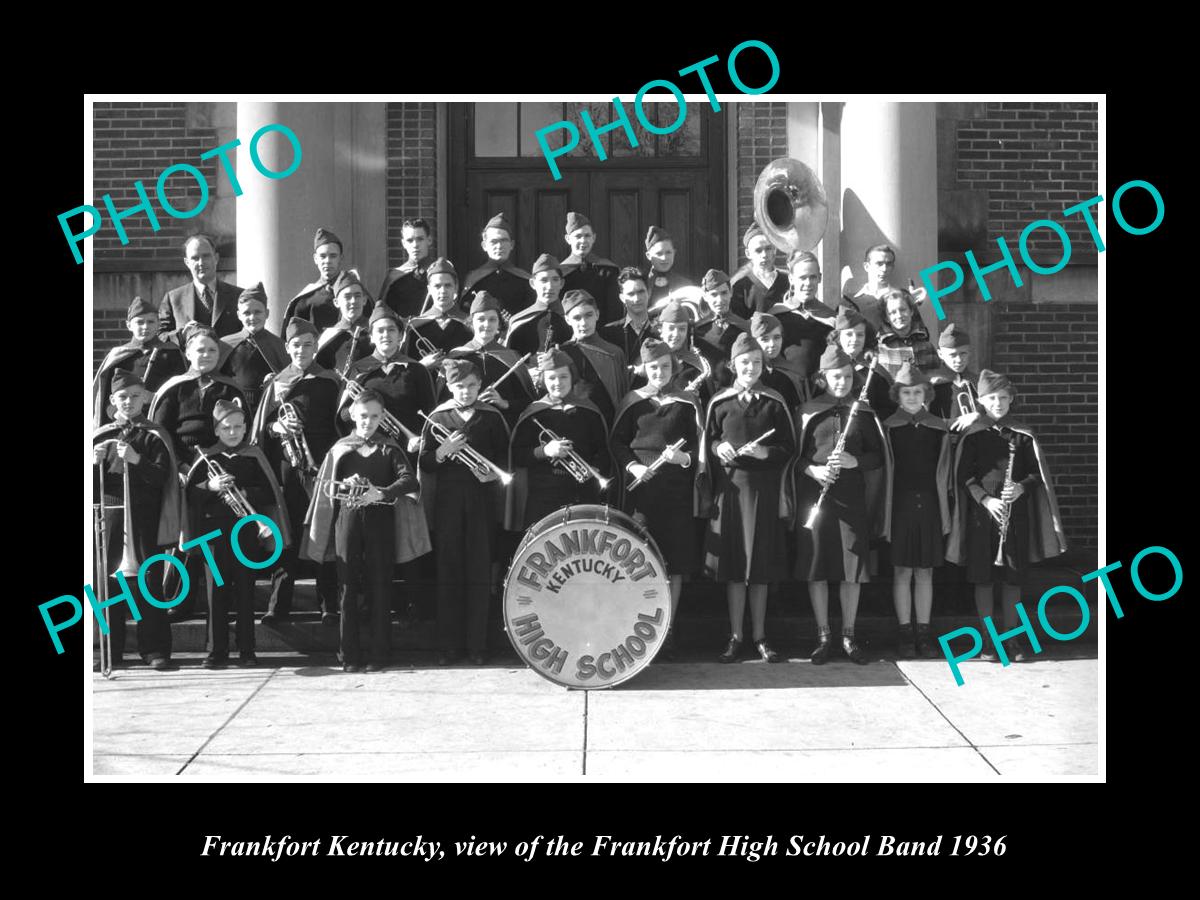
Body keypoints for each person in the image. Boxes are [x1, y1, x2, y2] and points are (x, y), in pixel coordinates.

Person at [302, 388, 429, 672]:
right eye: (362, 416)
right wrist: (348, 484)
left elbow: (409, 481)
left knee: (380, 587)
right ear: (352, 416)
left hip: (380, 521)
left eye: (374, 417)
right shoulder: (340, 448)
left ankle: (380, 654)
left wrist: (381, 493)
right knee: (347, 588)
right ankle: (348, 655)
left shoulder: (389, 447)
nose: (367, 422)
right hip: (346, 519)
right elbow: (324, 489)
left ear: (382, 418)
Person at [945, 370, 1067, 663]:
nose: (998, 403)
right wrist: (985, 500)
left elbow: (1037, 474)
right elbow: (964, 477)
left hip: (1016, 514)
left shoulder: (1022, 435)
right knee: (983, 578)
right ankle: (988, 640)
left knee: (1012, 577)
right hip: (982, 515)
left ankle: (1011, 637)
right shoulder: (974, 436)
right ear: (981, 401)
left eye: (1003, 397)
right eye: (991, 398)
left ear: (1011, 399)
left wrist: (1023, 488)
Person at [703, 332, 795, 664]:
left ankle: (760, 636)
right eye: (745, 362)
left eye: (757, 362)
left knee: (759, 567)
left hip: (763, 491)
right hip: (730, 489)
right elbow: (709, 442)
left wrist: (764, 451)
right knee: (734, 567)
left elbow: (789, 448)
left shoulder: (774, 401)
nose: (751, 368)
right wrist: (717, 448)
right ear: (732, 365)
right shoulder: (720, 402)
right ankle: (735, 636)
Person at [794, 345, 889, 665]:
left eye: (848, 377)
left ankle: (848, 635)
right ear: (823, 378)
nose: (843, 382)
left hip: (852, 497)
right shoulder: (808, 410)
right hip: (815, 497)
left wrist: (854, 461)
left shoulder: (862, 412)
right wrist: (813, 470)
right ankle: (823, 635)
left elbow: (878, 457)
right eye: (836, 377)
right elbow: (795, 458)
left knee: (852, 568)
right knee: (816, 566)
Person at [610, 339, 704, 655]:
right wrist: (634, 466)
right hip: (642, 494)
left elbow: (696, 447)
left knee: (674, 563)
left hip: (675, 493)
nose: (660, 372)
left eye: (665, 366)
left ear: (674, 368)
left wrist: (684, 459)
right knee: (641, 561)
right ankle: (642, 625)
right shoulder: (633, 402)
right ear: (644, 369)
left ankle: (670, 627)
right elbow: (618, 444)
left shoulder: (687, 402)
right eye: (653, 367)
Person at [184, 399, 290, 668]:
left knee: (245, 590)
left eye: (238, 427)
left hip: (245, 534)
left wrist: (244, 493)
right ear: (217, 431)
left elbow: (269, 492)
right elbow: (190, 497)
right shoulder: (207, 457)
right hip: (213, 535)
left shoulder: (253, 455)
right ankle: (215, 651)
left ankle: (247, 650)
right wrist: (210, 485)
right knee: (214, 592)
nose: (233, 432)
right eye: (227, 428)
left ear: (245, 428)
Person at [252, 317, 342, 627]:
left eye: (307, 344)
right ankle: (278, 606)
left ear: (316, 347)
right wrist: (276, 426)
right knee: (286, 536)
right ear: (286, 348)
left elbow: (341, 425)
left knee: (324, 534)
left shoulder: (330, 381)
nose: (301, 350)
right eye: (295, 345)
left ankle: (329, 605)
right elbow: (259, 430)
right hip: (287, 470)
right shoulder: (276, 383)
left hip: (322, 467)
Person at [419, 359, 510, 666]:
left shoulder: (492, 418)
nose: (467, 391)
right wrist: (443, 452)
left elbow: (504, 459)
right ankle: (449, 646)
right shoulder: (438, 417)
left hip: (482, 501)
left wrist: (491, 472)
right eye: (460, 386)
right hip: (448, 504)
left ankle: (478, 645)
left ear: (480, 386)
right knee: (449, 573)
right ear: (449, 386)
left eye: (472, 385)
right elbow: (425, 463)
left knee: (479, 572)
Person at [92, 370, 181, 670]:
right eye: (122, 397)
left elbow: (162, 478)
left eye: (134, 396)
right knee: (108, 589)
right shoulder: (101, 436)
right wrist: (93, 464)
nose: (128, 401)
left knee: (150, 586)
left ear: (144, 397)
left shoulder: (154, 434)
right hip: (111, 519)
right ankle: (109, 651)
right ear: (112, 400)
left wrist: (136, 460)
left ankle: (154, 650)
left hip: (145, 519)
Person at [880, 363, 952, 658]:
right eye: (906, 392)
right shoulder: (888, 428)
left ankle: (924, 632)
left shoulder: (938, 427)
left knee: (925, 571)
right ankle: (905, 633)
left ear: (926, 394)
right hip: (899, 505)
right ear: (897, 395)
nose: (911, 397)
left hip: (930, 506)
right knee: (901, 570)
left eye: (917, 392)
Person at [508, 349, 611, 529]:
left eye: (563, 377)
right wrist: (545, 451)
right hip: (543, 496)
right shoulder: (534, 412)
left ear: (572, 377)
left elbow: (604, 451)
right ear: (543, 380)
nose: (558, 383)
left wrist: (595, 468)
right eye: (551, 378)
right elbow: (518, 455)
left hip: (583, 493)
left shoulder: (589, 411)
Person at [339, 304, 434, 452]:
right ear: (371, 337)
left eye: (391, 330)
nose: (386, 335)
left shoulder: (416, 369)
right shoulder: (358, 369)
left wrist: (421, 441)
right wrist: (354, 409)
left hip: (407, 450)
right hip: (367, 450)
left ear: (400, 336)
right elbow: (343, 416)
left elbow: (429, 414)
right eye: (380, 330)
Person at [446, 291, 536, 427]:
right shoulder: (456, 357)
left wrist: (504, 403)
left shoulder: (512, 357)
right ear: (471, 322)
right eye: (481, 319)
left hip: (503, 430)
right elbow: (444, 401)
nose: (487, 324)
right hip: (464, 429)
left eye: (492, 319)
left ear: (499, 324)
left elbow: (528, 402)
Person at [94, 296, 185, 427]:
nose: (145, 327)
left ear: (159, 324)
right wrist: (116, 413)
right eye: (140, 322)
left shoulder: (171, 353)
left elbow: (182, 393)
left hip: (163, 422)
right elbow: (106, 398)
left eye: (151, 322)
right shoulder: (119, 356)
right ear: (129, 325)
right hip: (126, 423)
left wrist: (154, 398)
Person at [560, 289, 629, 427]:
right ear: (567, 319)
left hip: (608, 422)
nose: (584, 323)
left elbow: (622, 395)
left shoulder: (614, 352)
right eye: (577, 318)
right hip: (575, 423)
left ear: (597, 314)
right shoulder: (561, 353)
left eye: (588, 315)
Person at [220, 283, 289, 415]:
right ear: (239, 315)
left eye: (257, 312)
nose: (252, 317)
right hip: (234, 410)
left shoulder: (279, 345)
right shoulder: (225, 344)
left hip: (268, 411)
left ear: (267, 313)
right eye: (246, 313)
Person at [767, 250, 836, 381]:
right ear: (791, 279)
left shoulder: (831, 318)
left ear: (820, 278)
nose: (808, 283)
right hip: (784, 384)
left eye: (813, 277)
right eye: (802, 277)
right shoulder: (776, 316)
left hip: (819, 389)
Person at [158, 233, 243, 339]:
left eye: (206, 256)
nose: (201, 262)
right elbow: (160, 335)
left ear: (216, 258)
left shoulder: (238, 296)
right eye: (195, 258)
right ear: (187, 262)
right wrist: (180, 334)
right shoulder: (173, 299)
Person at [459, 212, 534, 333]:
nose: (499, 246)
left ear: (512, 245)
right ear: (484, 245)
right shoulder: (473, 280)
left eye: (504, 241)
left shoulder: (525, 280)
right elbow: (465, 315)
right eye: (493, 241)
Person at [828, 304, 895, 421]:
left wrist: (869, 412)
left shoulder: (875, 373)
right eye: (849, 334)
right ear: (838, 337)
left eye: (860, 334)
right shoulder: (828, 369)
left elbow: (889, 410)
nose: (854, 339)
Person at [283, 227, 354, 332]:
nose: (327, 261)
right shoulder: (304, 301)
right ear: (315, 259)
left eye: (333, 256)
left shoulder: (355, 294)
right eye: (323, 256)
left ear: (341, 258)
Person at [402, 257, 472, 364]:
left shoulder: (471, 323)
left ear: (456, 287)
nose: (442, 291)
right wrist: (423, 366)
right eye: (437, 286)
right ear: (429, 289)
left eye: (447, 285)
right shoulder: (414, 326)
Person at [504, 252, 573, 358]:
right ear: (532, 284)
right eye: (543, 280)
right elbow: (511, 361)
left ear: (561, 283)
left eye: (555, 279)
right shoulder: (519, 322)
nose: (549, 286)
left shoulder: (573, 320)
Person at [560, 211, 621, 324]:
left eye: (587, 236)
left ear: (594, 238)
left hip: (603, 335)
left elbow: (614, 311)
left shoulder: (608, 271)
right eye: (578, 236)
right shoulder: (560, 273)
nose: (583, 241)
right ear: (568, 239)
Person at [693, 268, 748, 390]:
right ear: (705, 297)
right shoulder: (697, 331)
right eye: (713, 294)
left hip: (737, 391)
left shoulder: (745, 328)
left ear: (731, 292)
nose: (719, 300)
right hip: (706, 391)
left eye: (724, 293)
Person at [314, 270, 373, 376]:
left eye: (357, 296)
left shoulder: (376, 332)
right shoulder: (329, 338)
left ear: (364, 300)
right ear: (336, 302)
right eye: (347, 297)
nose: (353, 301)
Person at [657, 300, 714, 407]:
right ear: (660, 329)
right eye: (671, 328)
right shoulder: (649, 363)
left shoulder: (697, 367)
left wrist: (697, 401)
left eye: (682, 329)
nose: (676, 334)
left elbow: (707, 407)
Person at [929, 323, 981, 434]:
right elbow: (926, 421)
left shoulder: (979, 381)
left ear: (970, 352)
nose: (958, 360)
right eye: (952, 355)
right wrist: (956, 422)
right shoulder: (933, 385)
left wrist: (979, 414)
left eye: (963, 353)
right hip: (945, 445)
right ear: (940, 354)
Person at [378, 218, 434, 319]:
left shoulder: (440, 273)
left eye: (420, 239)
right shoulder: (394, 277)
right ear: (403, 244)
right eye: (410, 240)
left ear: (429, 240)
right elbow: (382, 313)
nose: (415, 245)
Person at [876, 287, 939, 377]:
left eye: (903, 310)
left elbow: (938, 383)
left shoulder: (927, 347)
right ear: (886, 318)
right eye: (893, 312)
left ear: (911, 311)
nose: (899, 316)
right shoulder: (879, 349)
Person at [600, 267, 656, 367]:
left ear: (649, 292)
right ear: (622, 298)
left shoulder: (660, 331)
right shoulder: (607, 333)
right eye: (631, 294)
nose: (637, 299)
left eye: (641, 292)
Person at [730, 223, 789, 318]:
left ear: (775, 249)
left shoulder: (789, 280)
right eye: (758, 250)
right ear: (748, 253)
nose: (764, 255)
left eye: (768, 249)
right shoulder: (741, 286)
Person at [751, 312, 805, 408]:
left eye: (777, 337)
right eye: (765, 339)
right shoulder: (748, 373)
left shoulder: (791, 374)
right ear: (754, 341)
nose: (772, 344)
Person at [642, 226, 693, 309]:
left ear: (674, 253)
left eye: (668, 252)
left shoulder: (685, 285)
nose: (664, 258)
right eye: (659, 253)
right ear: (648, 255)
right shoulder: (641, 284)